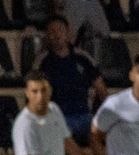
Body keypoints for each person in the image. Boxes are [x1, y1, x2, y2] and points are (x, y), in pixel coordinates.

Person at [11, 74, 111, 155]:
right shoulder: (25, 124)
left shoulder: (54, 110)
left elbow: (69, 144)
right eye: (35, 91)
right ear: (27, 93)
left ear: (50, 91)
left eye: (44, 90)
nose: (40, 96)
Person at [37, 15, 106, 146]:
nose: (56, 34)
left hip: (84, 116)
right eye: (52, 31)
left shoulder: (83, 58)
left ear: (68, 33)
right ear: (47, 36)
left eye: (60, 30)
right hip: (58, 118)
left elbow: (101, 89)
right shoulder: (42, 61)